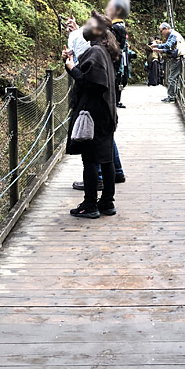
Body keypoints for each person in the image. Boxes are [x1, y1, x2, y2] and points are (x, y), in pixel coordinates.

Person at [64, 12, 119, 219]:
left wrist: (72, 68)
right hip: (106, 113)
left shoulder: (96, 52)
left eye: (87, 25)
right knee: (106, 159)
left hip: (93, 115)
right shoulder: (106, 50)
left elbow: (92, 83)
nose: (84, 29)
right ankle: (107, 202)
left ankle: (90, 204)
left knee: (90, 160)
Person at [152, 22, 185, 102]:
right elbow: (169, 48)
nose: (161, 33)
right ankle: (173, 95)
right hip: (178, 58)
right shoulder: (174, 34)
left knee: (171, 78)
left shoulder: (173, 34)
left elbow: (168, 45)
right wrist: (160, 50)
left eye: (161, 31)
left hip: (178, 58)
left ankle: (171, 97)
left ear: (166, 29)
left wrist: (157, 45)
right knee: (173, 77)